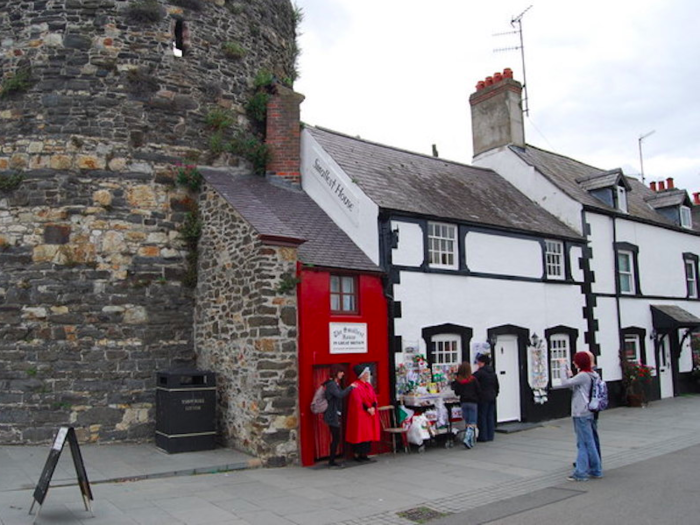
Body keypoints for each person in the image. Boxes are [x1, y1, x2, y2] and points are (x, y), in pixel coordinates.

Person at [561, 351, 603, 481]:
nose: (573, 362)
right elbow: (578, 388)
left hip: (581, 413)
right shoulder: (593, 374)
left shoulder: (584, 375)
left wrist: (563, 367)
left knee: (584, 443)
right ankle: (595, 469)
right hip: (589, 412)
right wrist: (572, 376)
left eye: (575, 360)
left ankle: (581, 472)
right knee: (589, 442)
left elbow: (564, 383)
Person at [345, 364, 380, 462]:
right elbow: (357, 401)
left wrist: (373, 406)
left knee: (368, 434)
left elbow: (373, 397)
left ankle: (364, 454)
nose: (368, 375)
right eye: (366, 373)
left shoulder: (368, 385)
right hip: (361, 415)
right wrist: (368, 408)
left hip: (368, 414)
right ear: (362, 375)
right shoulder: (356, 386)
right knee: (360, 434)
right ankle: (357, 454)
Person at [323, 364, 355, 468]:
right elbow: (340, 395)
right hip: (332, 415)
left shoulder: (334, 384)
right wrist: (351, 387)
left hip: (335, 413)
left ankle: (332, 459)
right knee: (335, 438)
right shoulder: (332, 384)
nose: (343, 374)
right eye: (341, 372)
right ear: (336, 373)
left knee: (336, 437)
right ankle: (331, 460)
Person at [451, 362, 481, 447]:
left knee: (467, 421)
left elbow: (457, 392)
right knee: (472, 422)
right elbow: (479, 390)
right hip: (473, 402)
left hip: (464, 402)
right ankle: (468, 438)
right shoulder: (473, 379)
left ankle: (470, 440)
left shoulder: (459, 381)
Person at [473, 354, 499, 442]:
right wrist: (495, 394)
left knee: (482, 416)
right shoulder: (493, 373)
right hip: (492, 396)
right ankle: (490, 435)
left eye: (479, 362)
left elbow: (472, 380)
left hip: (483, 397)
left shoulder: (480, 373)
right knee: (490, 415)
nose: (478, 364)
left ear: (482, 363)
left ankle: (483, 436)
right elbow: (497, 386)